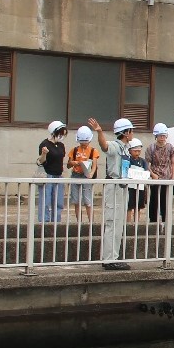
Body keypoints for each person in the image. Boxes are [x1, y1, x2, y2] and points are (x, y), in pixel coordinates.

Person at [87, 116, 134, 270]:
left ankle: (114, 256)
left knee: (119, 224)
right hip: (113, 186)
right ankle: (109, 259)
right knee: (112, 223)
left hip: (122, 186)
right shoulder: (115, 145)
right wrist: (100, 132)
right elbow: (104, 146)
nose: (132, 133)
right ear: (126, 132)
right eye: (131, 131)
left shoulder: (126, 148)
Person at [36, 120, 68, 223]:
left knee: (58, 202)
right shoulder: (44, 144)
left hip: (59, 176)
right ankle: (44, 222)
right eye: (61, 133)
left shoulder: (61, 145)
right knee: (45, 201)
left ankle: (56, 222)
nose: (62, 136)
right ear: (54, 132)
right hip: (47, 175)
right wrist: (44, 153)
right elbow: (40, 161)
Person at [67, 126, 99, 224]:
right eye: (81, 143)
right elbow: (68, 164)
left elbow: (94, 164)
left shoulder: (93, 151)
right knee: (76, 201)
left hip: (86, 175)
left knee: (88, 201)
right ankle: (79, 223)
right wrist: (74, 163)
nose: (83, 145)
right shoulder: (74, 150)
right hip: (75, 175)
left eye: (85, 143)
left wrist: (91, 173)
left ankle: (91, 223)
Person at [145, 122, 174, 224]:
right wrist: (153, 174)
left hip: (166, 178)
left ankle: (165, 221)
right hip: (155, 178)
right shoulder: (151, 148)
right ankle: (153, 221)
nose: (162, 138)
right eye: (160, 135)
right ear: (156, 136)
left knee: (165, 201)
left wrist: (173, 176)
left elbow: (173, 162)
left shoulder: (170, 148)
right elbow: (147, 164)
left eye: (163, 135)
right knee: (154, 199)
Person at [125, 137, 148, 222]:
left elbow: (146, 171)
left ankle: (136, 223)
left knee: (138, 206)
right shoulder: (127, 160)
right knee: (129, 206)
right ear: (130, 150)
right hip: (130, 186)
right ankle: (128, 222)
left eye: (139, 151)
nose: (137, 153)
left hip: (140, 187)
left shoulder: (143, 161)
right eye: (135, 151)